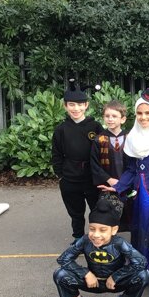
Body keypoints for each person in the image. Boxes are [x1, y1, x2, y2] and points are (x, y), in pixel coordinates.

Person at [102, 88, 149, 275]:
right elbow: (131, 169)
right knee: (139, 229)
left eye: (148, 113)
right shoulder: (132, 138)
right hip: (137, 194)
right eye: (139, 113)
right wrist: (118, 187)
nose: (143, 117)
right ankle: (139, 266)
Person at [52, 197, 149, 297]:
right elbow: (64, 259)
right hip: (93, 282)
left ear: (114, 230)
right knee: (60, 274)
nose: (96, 235)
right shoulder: (85, 240)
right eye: (92, 229)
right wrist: (85, 273)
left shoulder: (120, 243)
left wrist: (116, 276)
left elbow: (141, 262)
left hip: (116, 283)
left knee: (144, 274)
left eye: (102, 230)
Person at [52, 79, 103, 239]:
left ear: (86, 105)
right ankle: (79, 239)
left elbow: (104, 151)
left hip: (92, 178)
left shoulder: (95, 127)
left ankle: (98, 239)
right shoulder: (61, 130)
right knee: (76, 212)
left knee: (97, 210)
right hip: (70, 179)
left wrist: (102, 174)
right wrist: (61, 175)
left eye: (80, 104)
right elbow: (56, 154)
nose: (76, 108)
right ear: (65, 106)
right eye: (72, 105)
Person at [90, 100, 131, 231]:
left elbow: (135, 163)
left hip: (128, 183)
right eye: (107, 116)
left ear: (123, 119)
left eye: (114, 116)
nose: (110, 119)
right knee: (108, 214)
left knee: (131, 212)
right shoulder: (99, 139)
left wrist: (125, 182)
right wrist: (109, 179)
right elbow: (94, 164)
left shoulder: (130, 137)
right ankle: (109, 238)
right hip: (108, 183)